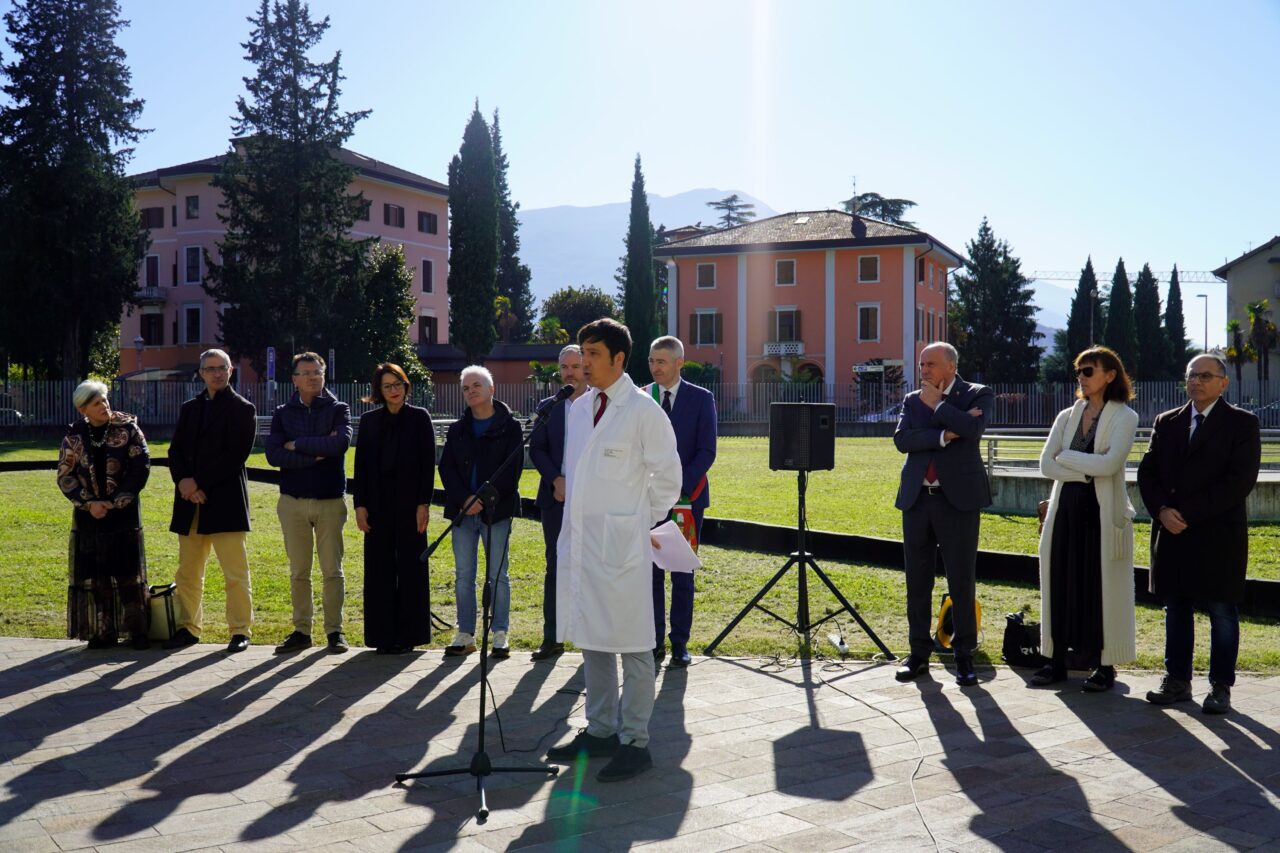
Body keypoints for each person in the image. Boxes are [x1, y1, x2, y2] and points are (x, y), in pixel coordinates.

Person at [545, 318, 682, 783]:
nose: (584, 363)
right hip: (584, 543)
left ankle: (635, 741)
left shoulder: (643, 411)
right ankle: (601, 730)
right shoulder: (581, 409)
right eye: (582, 354)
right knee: (593, 639)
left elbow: (668, 477)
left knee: (634, 643)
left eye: (594, 355)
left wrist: (637, 522)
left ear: (619, 359)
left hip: (623, 546)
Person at [1138, 354, 1261, 714]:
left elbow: (1239, 482)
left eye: (1206, 376)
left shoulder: (1242, 424)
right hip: (1172, 533)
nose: (1196, 381)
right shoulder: (1167, 422)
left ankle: (1220, 686)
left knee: (1222, 611)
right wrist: (1161, 510)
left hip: (1217, 534)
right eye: (1191, 375)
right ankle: (1176, 681)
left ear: (1223, 383)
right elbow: (1148, 474)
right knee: (1175, 607)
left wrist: (1186, 514)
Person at [1034, 346, 1139, 691]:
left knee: (1099, 587)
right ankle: (1055, 662)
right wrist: (1084, 470)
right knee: (1060, 581)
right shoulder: (1067, 416)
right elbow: (1046, 465)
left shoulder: (1125, 417)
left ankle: (1103, 666)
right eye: (1079, 370)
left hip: (1101, 513)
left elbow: (1111, 465)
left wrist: (1068, 459)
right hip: (1065, 510)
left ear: (1110, 375)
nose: (1081, 376)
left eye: (1088, 370)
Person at [892, 342, 992, 687]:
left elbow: (974, 431)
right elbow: (903, 440)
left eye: (931, 364)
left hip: (958, 502)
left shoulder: (978, 394)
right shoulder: (910, 399)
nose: (923, 370)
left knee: (961, 582)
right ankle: (918, 655)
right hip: (917, 500)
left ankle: (964, 656)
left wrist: (937, 406)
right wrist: (945, 434)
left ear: (950, 366)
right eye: (921, 364)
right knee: (916, 581)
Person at [164, 349, 256, 653]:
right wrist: (184, 483)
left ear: (231, 372)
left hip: (225, 501)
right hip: (190, 502)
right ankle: (188, 628)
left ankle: (240, 630)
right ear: (201, 373)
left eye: (222, 368)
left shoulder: (243, 408)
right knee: (188, 572)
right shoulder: (190, 408)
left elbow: (235, 457)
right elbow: (175, 452)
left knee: (235, 573)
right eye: (210, 368)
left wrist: (197, 482)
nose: (216, 373)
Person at [264, 352, 352, 655]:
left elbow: (339, 444)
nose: (313, 377)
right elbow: (274, 455)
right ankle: (301, 631)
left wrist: (298, 443)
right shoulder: (282, 412)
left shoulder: (339, 409)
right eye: (307, 372)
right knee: (299, 570)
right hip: (293, 501)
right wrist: (316, 452)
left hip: (330, 501)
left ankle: (334, 631)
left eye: (318, 371)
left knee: (332, 570)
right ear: (295, 379)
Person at [56, 380, 151, 650]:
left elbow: (140, 466)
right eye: (97, 403)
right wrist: (89, 504)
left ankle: (137, 631)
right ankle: (103, 631)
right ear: (83, 408)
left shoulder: (128, 428)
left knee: (128, 574)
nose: (104, 406)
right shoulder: (73, 436)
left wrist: (116, 500)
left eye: (105, 400)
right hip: (89, 515)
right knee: (98, 575)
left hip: (122, 513)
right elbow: (65, 475)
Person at [438, 365, 525, 659]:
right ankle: (465, 632)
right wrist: (464, 499)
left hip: (496, 512)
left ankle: (500, 632)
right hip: (463, 513)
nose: (471, 391)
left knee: (498, 574)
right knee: (464, 574)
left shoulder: (510, 427)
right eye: (466, 388)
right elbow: (446, 467)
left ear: (492, 389)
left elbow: (511, 473)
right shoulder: (457, 429)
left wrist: (484, 499)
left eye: (477, 385)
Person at [353, 363, 435, 655]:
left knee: (412, 567)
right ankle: (382, 635)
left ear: (406, 385)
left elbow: (428, 465)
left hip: (410, 504)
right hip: (377, 504)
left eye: (398, 384)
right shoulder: (369, 421)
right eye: (387, 386)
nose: (394, 390)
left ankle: (410, 634)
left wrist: (423, 503)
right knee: (378, 569)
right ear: (379, 390)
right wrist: (360, 506)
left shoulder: (419, 418)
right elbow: (360, 467)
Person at [646, 335, 717, 668]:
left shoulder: (702, 399)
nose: (655, 367)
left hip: (687, 499)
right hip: (647, 502)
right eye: (651, 361)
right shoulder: (643, 398)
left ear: (679, 363)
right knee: (651, 573)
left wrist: (677, 487)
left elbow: (706, 451)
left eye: (661, 361)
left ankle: (679, 644)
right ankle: (653, 641)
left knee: (682, 572)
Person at [528, 344, 587, 661]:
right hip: (556, 497)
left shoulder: (598, 405)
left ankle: (594, 639)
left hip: (591, 500)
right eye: (564, 367)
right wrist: (556, 479)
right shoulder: (549, 406)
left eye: (575, 367)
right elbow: (537, 448)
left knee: (591, 568)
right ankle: (552, 638)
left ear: (586, 369)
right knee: (555, 566)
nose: (569, 373)